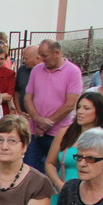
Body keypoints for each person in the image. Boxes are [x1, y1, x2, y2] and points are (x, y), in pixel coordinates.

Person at [23, 39, 84, 172]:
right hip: (35, 132)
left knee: (52, 170)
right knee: (29, 170)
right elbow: (28, 98)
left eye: (45, 55)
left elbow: (70, 104)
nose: (42, 59)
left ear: (56, 53)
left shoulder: (73, 72)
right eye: (40, 55)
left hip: (58, 133)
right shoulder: (36, 70)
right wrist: (38, 120)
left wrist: (47, 123)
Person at [13, 45, 40, 114]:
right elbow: (16, 92)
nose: (23, 61)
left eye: (26, 58)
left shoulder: (45, 73)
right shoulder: (21, 70)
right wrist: (19, 111)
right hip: (24, 115)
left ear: (37, 58)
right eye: (23, 58)